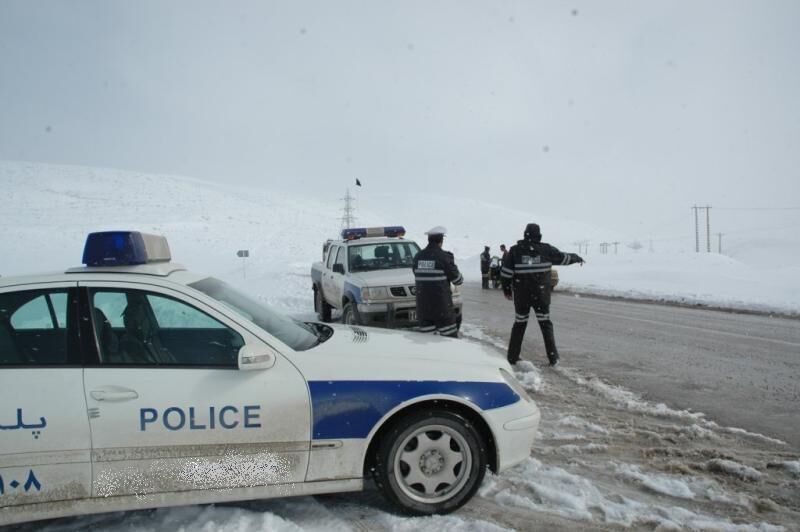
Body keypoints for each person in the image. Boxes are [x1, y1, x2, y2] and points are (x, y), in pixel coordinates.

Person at [501, 223, 584, 366]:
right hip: (541, 296)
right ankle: (553, 358)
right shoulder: (546, 250)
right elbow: (563, 258)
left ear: (525, 234)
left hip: (522, 297)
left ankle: (512, 357)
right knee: (545, 325)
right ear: (538, 235)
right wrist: (576, 257)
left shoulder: (515, 251)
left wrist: (507, 290)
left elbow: (505, 273)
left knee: (519, 325)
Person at [413, 226, 463, 337]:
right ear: (441, 241)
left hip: (423, 310)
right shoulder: (444, 257)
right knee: (449, 342)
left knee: (428, 344)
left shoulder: (417, 257)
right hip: (442, 309)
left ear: (429, 240)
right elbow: (458, 280)